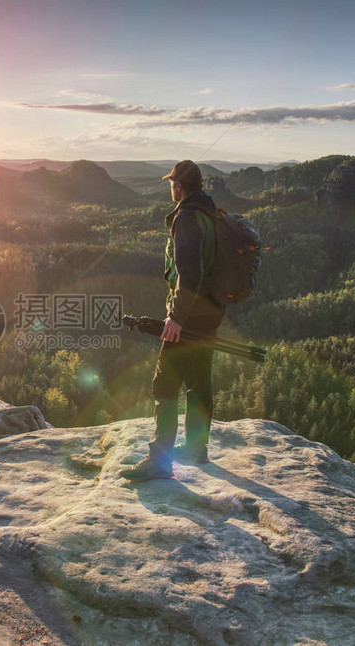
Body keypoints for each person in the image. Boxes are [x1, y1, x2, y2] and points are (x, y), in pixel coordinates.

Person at [120, 160, 225, 481]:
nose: (171, 187)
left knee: (164, 384)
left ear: (179, 186)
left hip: (190, 314)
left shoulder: (186, 217)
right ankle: (196, 447)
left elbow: (189, 275)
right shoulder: (210, 212)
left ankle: (159, 462)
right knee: (198, 380)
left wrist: (176, 318)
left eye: (172, 183)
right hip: (211, 312)